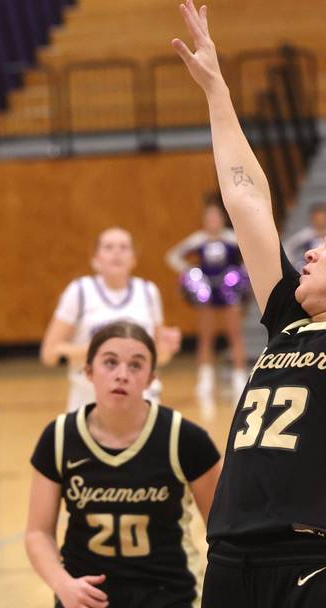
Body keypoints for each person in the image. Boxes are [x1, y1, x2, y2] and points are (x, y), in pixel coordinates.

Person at [174, 2, 326, 605]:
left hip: (307, 559)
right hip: (230, 554)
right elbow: (247, 201)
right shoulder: (289, 319)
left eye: (325, 252)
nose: (309, 256)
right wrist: (216, 91)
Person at [26, 321, 221, 608]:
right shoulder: (58, 438)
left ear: (151, 377)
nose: (121, 375)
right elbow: (38, 532)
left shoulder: (185, 439)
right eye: (110, 363)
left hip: (170, 594)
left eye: (136, 365)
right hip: (85, 597)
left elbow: (223, 530)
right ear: (88, 372)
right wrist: (62, 584)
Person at [40, 227, 182, 412]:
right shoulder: (79, 291)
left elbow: (158, 358)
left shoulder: (148, 291)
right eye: (108, 247)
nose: (117, 252)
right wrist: (99, 351)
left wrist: (166, 347)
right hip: (88, 401)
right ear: (95, 260)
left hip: (141, 401)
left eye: (124, 247)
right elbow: (49, 354)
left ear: (133, 259)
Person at [166, 200, 247, 400]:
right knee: (205, 336)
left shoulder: (232, 238)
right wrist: (189, 271)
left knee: (234, 334)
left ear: (222, 219)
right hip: (207, 292)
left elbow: (250, 253)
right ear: (204, 221)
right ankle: (205, 380)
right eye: (208, 217)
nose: (212, 221)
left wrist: (241, 273)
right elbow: (173, 256)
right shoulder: (198, 239)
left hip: (228, 290)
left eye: (216, 217)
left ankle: (240, 379)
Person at [283, 202, 326, 272]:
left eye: (322, 216)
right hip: (309, 270)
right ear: (312, 218)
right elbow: (287, 249)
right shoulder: (304, 236)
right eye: (317, 217)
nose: (320, 219)